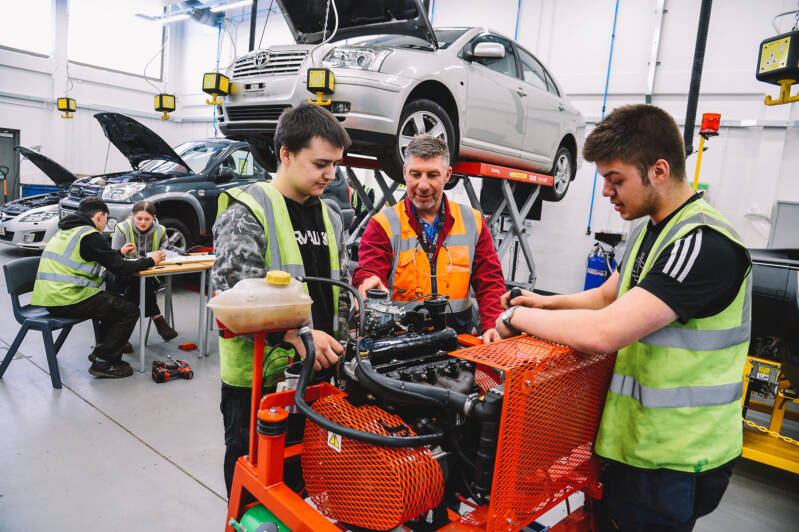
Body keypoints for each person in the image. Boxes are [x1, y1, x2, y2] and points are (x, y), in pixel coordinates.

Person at [495, 104, 751, 531]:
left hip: (673, 459)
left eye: (616, 180)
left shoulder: (702, 244)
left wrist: (517, 319)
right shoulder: (651, 228)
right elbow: (606, 296)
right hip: (632, 445)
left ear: (659, 170)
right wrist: (540, 302)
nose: (607, 193)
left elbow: (604, 331)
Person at [212, 103, 350, 496]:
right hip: (260, 382)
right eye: (321, 163)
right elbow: (233, 299)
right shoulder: (248, 212)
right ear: (286, 154)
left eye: (335, 164)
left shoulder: (331, 216)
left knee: (305, 474)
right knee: (256, 480)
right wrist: (299, 335)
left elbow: (340, 289)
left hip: (320, 372)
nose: (331, 174)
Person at [353, 135, 506, 343]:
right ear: (405, 173)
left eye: (433, 175)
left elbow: (489, 280)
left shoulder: (474, 221)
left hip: (457, 343)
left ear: (447, 175)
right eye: (416, 174)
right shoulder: (382, 224)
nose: (423, 185)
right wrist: (367, 283)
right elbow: (369, 271)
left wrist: (493, 325)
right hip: (400, 344)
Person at [31, 197, 166, 378]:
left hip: (51, 298)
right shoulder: (90, 234)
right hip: (69, 298)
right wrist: (151, 260)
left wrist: (118, 253)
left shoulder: (67, 231)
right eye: (106, 218)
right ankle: (103, 361)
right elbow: (119, 267)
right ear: (101, 215)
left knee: (114, 302)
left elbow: (96, 256)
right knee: (130, 310)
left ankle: (104, 349)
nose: (105, 223)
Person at [110, 201, 178, 341]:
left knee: (138, 286)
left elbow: (163, 255)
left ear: (154, 217)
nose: (143, 222)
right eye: (139, 218)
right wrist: (123, 252)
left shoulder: (161, 231)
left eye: (147, 219)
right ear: (132, 216)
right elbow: (113, 259)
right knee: (138, 284)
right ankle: (157, 318)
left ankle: (119, 338)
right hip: (122, 275)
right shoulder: (122, 229)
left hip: (150, 276)